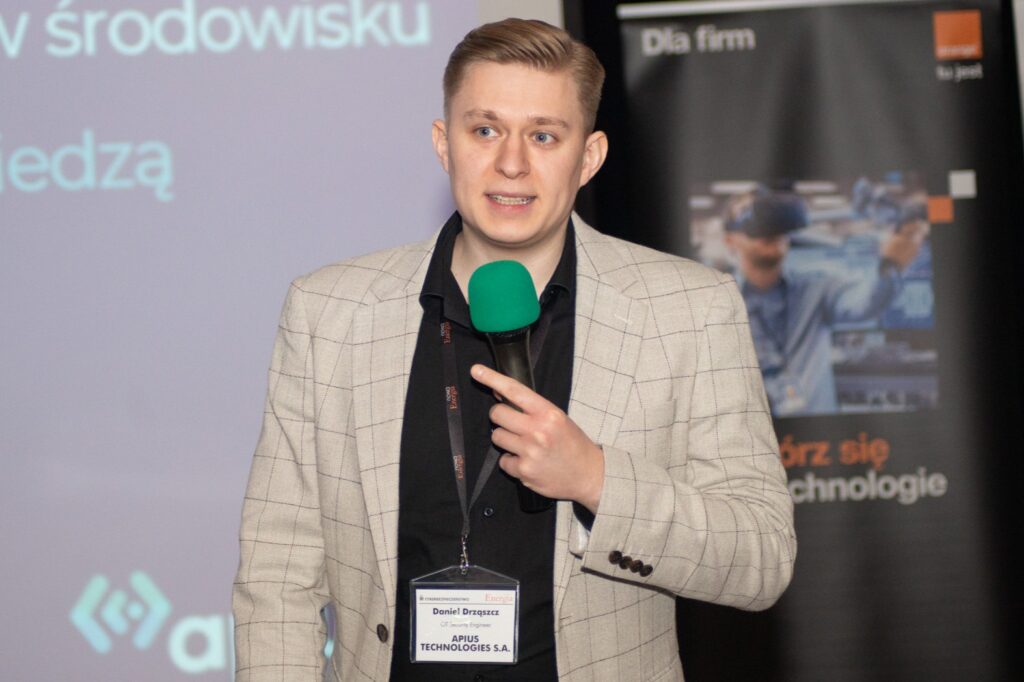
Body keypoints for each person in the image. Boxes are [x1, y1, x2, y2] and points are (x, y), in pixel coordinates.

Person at [233, 19, 795, 681]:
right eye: (485, 130)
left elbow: (761, 560)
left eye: (544, 136)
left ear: (589, 157)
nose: (511, 163)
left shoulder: (688, 310)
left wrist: (597, 480)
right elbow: (277, 577)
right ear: (444, 143)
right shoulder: (330, 312)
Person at [724, 187, 929, 417]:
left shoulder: (817, 288)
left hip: (815, 432)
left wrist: (891, 264)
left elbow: (865, 303)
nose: (769, 224)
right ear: (730, 240)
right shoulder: (716, 305)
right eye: (753, 215)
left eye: (773, 216)